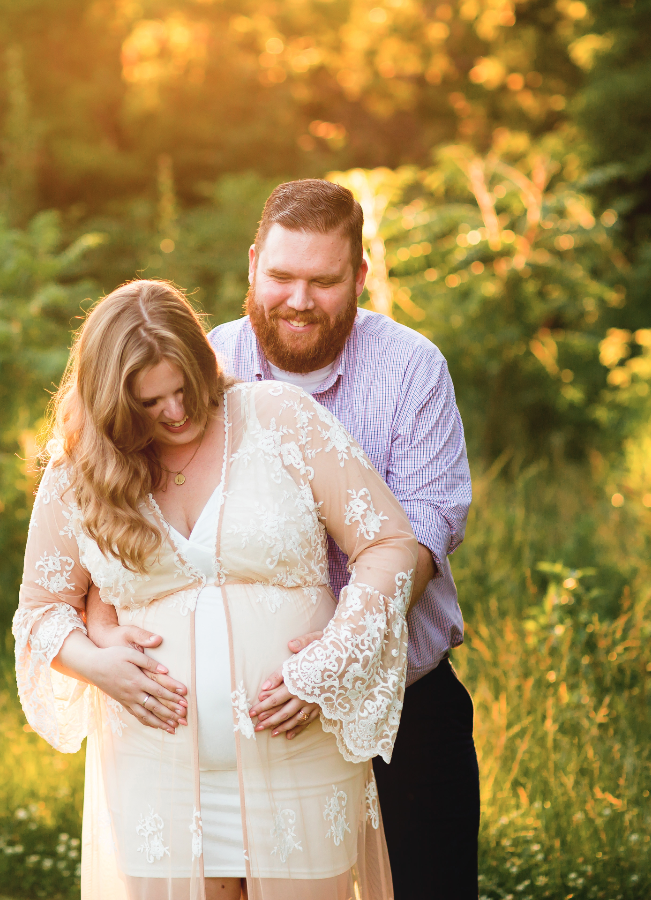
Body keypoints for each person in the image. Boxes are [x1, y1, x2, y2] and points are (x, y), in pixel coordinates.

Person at [92, 179, 478, 898]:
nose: (299, 299)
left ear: (359, 277)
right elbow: (120, 522)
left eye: (324, 281)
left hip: (403, 703)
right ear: (251, 267)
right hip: (249, 735)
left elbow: (424, 535)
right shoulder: (196, 366)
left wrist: (337, 653)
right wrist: (102, 629)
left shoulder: (412, 370)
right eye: (281, 276)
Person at [13, 279, 420, 900]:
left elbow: (388, 544)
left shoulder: (279, 418)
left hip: (298, 760)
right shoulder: (80, 471)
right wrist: (99, 665)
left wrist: (336, 660)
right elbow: (41, 611)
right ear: (113, 405)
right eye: (150, 404)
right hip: (157, 774)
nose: (176, 413)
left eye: (185, 390)